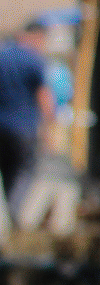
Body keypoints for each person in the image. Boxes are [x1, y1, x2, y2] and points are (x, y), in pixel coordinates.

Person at [0, 25, 46, 200]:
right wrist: (49, 127)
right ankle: (14, 208)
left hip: (2, 125)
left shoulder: (2, 56)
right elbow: (44, 96)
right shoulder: (32, 60)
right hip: (24, 127)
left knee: (6, 170)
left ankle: (8, 206)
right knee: (24, 171)